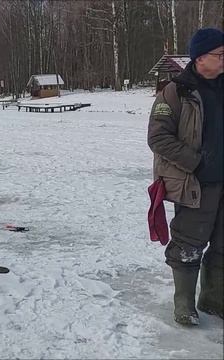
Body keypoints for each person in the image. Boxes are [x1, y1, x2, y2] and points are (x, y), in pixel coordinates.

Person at [147, 28, 223, 326]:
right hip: (195, 182)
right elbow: (158, 138)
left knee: (222, 245)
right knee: (189, 245)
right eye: (220, 54)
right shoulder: (176, 91)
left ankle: (215, 301)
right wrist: (196, 163)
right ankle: (184, 306)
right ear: (201, 57)